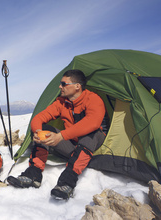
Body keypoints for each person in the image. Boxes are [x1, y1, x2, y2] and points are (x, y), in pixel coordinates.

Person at [7, 69, 106, 199]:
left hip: (92, 146)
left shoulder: (93, 99)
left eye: (64, 84)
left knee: (91, 134)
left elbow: (92, 122)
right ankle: (33, 175)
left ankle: (67, 183)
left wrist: (61, 136)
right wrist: (38, 132)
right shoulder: (62, 102)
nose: (60, 86)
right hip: (72, 146)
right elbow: (38, 118)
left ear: (77, 86)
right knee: (44, 130)